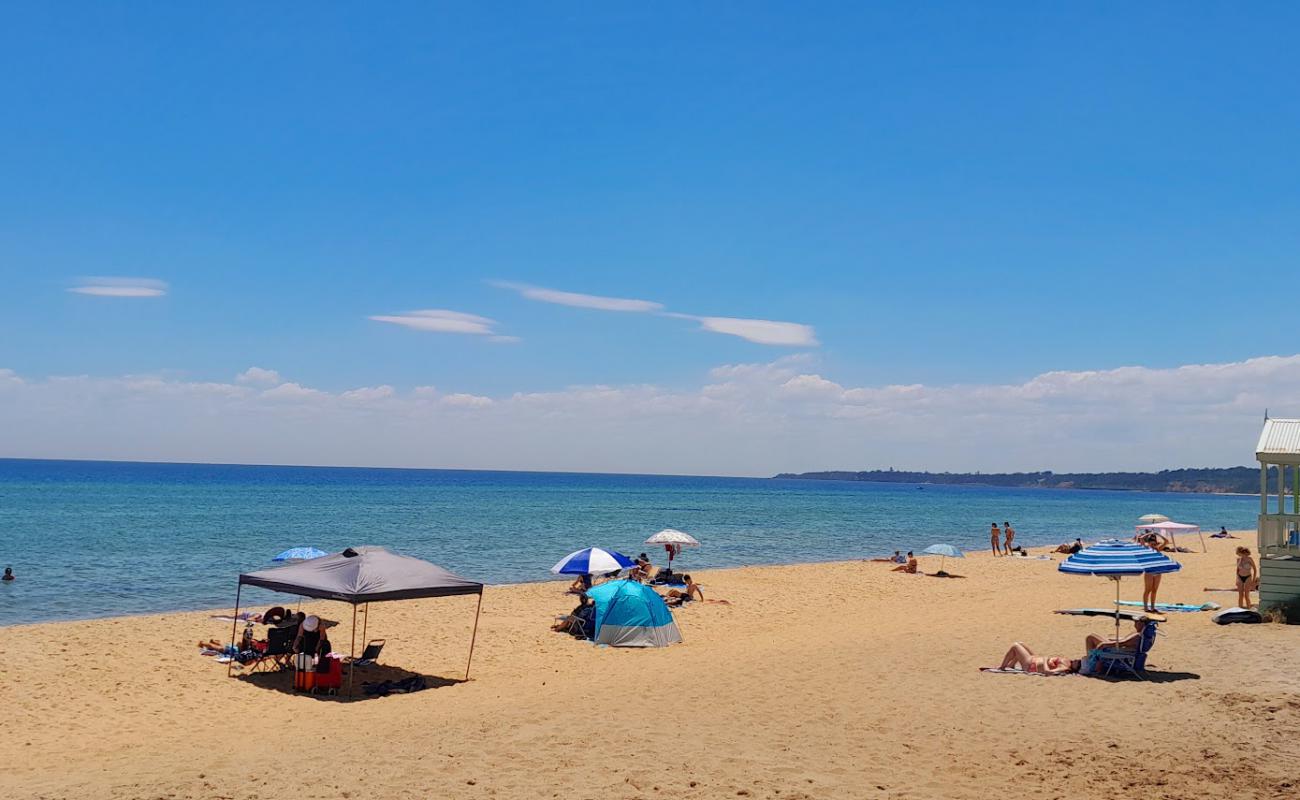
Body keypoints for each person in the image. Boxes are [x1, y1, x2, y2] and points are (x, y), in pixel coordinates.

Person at [994, 642, 1079, 674]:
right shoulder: (1068, 661)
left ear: (1074, 669)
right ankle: (1011, 665)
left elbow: (1047, 672)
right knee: (1021, 643)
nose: (1077, 661)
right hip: (1035, 658)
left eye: (1078, 664)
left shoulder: (1064, 667)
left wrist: (1045, 660)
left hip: (1030, 665)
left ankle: (1002, 667)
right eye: (1078, 661)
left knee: (1015, 646)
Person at [1140, 537, 1167, 612]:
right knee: (1147, 590)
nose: (1153, 545)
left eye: (1154, 544)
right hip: (1149, 572)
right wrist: (1148, 534)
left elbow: (1166, 541)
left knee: (1154, 590)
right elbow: (1141, 539)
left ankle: (1152, 607)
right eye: (1152, 544)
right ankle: (1146, 607)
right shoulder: (1146, 550)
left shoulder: (1158, 549)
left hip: (1158, 572)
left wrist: (1158, 534)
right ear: (1148, 543)